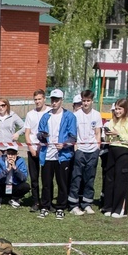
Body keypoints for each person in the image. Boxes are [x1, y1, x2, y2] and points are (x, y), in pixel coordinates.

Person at [36, 89, 77, 219]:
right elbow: (39, 134)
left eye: (57, 100)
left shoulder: (69, 116)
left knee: (62, 183)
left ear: (61, 101)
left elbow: (73, 137)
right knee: (46, 183)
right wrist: (42, 135)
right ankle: (45, 206)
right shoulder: (45, 116)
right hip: (47, 155)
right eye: (53, 100)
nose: (54, 102)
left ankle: (60, 208)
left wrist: (64, 145)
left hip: (62, 156)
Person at [100, 98, 128, 218]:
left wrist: (119, 134)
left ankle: (120, 209)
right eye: (116, 109)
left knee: (121, 180)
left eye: (119, 109)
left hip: (123, 151)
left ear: (125, 109)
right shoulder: (112, 121)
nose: (117, 111)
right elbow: (108, 139)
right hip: (111, 150)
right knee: (109, 179)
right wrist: (107, 135)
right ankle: (108, 207)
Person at [68, 90, 103, 215]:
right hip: (80, 151)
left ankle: (87, 204)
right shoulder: (76, 115)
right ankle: (73, 205)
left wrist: (97, 148)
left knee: (90, 178)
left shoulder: (97, 115)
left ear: (92, 101)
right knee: (76, 178)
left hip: (93, 151)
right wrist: (76, 147)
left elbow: (98, 132)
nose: (86, 103)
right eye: (84, 101)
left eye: (88, 101)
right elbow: (73, 133)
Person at [23, 89, 47, 206]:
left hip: (46, 150)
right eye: (35, 99)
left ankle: (46, 201)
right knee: (34, 178)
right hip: (32, 150)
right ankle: (36, 201)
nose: (37, 101)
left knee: (46, 178)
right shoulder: (30, 114)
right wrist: (31, 149)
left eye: (39, 99)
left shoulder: (50, 112)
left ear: (44, 99)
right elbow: (27, 134)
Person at [0, 97, 25, 171]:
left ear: (7, 106)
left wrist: (18, 133)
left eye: (3, 105)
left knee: (10, 169)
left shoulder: (13, 116)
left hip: (10, 147)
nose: (0, 107)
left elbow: (25, 127)